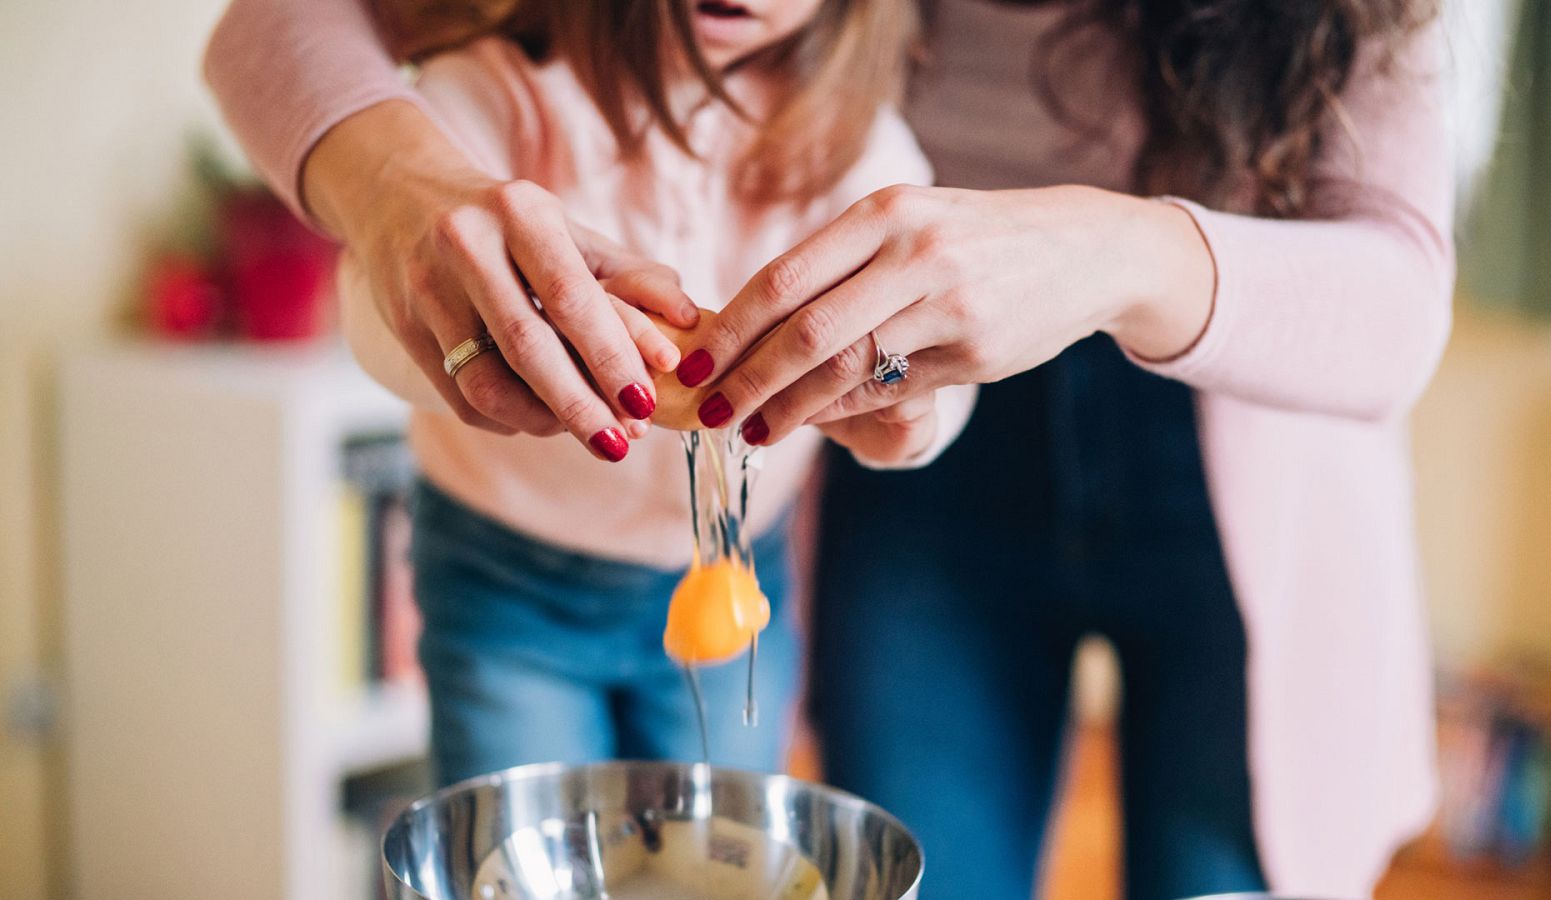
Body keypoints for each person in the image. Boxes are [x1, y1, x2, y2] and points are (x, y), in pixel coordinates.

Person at [204, 1, 1453, 897]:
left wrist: (1108, 259)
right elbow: (274, 34)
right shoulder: (529, 64)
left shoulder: (851, 132)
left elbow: (1398, 303)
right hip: (868, 503)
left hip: (1234, 468)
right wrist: (401, 207)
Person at [267, 0, 974, 786]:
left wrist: (912, 415)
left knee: (716, 850)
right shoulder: (495, 92)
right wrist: (493, 349)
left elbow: (942, 342)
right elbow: (373, 299)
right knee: (527, 853)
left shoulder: (860, 144)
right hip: (506, 588)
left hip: (736, 581)